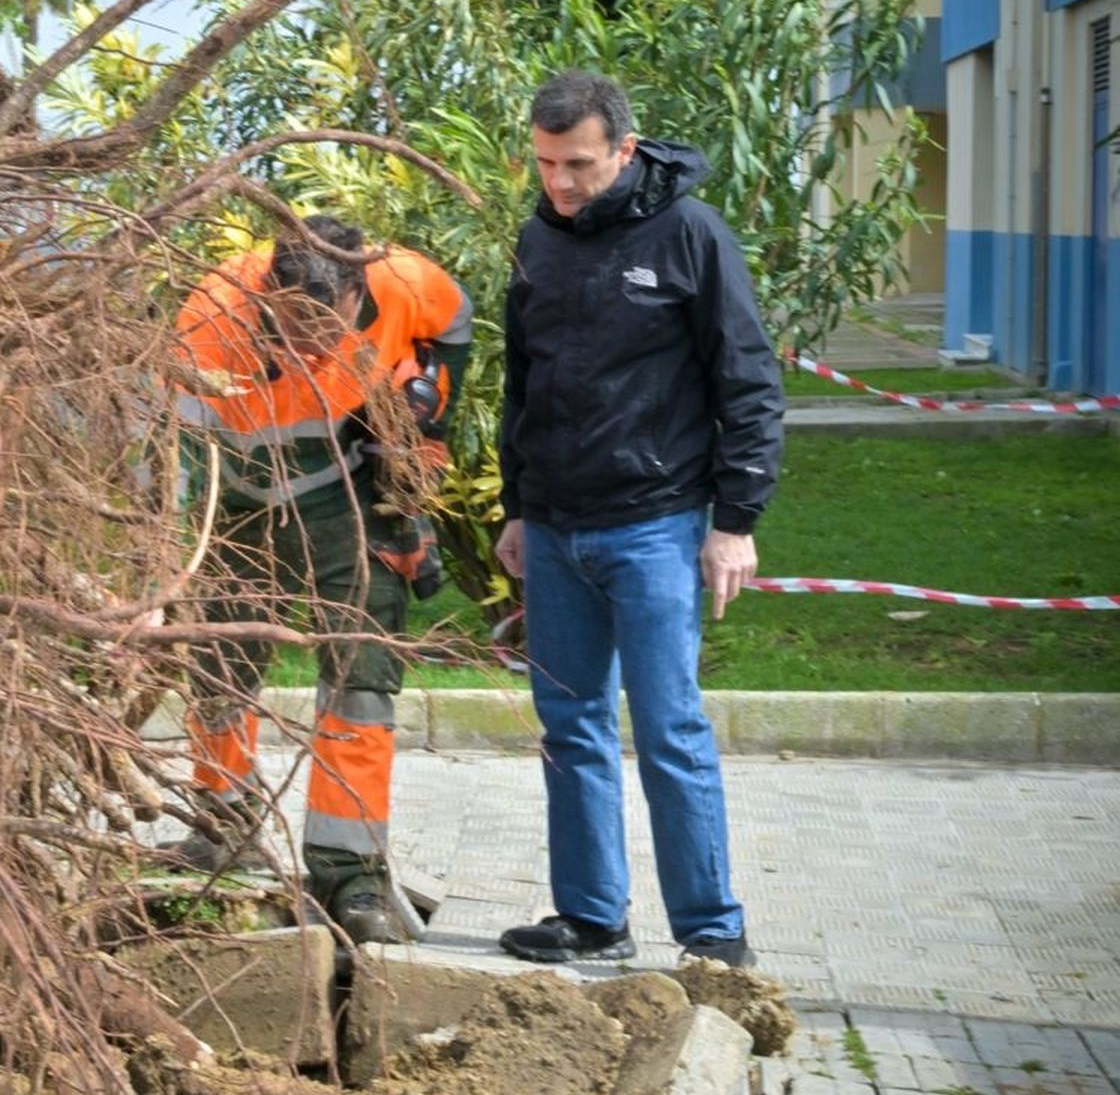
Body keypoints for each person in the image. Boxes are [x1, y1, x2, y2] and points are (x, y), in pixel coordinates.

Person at [495, 70, 784, 971]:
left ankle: (710, 933)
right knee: (570, 726)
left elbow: (749, 380)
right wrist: (516, 505)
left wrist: (734, 519)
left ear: (624, 149)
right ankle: (591, 918)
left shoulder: (690, 235)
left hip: (654, 526)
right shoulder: (538, 241)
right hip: (553, 527)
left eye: (578, 163)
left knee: (669, 728)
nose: (561, 184)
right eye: (545, 164)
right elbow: (522, 383)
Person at [166, 216, 472, 946]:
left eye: (325, 329)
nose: (310, 349)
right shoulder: (209, 320)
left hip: (346, 492)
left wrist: (427, 409)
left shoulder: (400, 280)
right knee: (220, 671)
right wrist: (167, 572)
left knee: (360, 682)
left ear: (354, 293)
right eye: (292, 332)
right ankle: (221, 830)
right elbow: (169, 467)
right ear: (265, 300)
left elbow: (455, 316)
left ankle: (351, 873)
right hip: (234, 503)